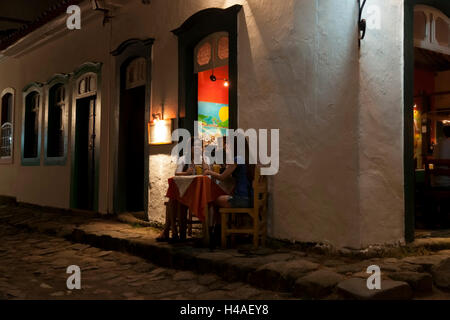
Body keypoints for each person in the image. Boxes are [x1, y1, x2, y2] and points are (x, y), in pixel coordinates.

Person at [203, 134, 255, 249]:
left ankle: (216, 235)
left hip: (242, 200)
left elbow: (222, 177)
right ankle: (221, 233)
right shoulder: (248, 159)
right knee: (221, 199)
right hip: (251, 199)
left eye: (229, 144)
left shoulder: (237, 159)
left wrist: (208, 171)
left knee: (213, 200)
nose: (226, 146)